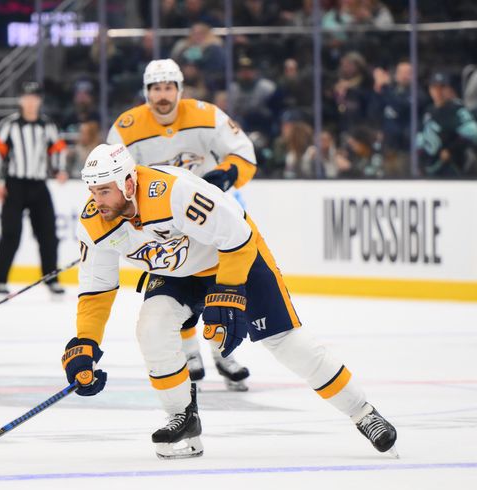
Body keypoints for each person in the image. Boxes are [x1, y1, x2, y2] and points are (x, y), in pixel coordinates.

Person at [63, 143, 398, 459]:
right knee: (151, 329)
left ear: (129, 182)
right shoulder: (94, 221)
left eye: (104, 190)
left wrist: (230, 292)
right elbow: (96, 287)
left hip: (235, 258)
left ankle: (363, 413)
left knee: (285, 342)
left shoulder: (172, 192)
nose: (97, 200)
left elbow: (237, 236)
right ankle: (182, 417)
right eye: (93, 191)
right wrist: (86, 343)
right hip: (179, 275)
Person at [107, 58, 256, 391]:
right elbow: (113, 177)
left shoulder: (206, 114)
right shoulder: (127, 126)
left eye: (168, 87)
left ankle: (223, 352)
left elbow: (244, 153)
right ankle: (191, 354)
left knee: (221, 284)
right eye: (156, 88)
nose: (163, 95)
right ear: (146, 92)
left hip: (206, 213)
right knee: (176, 282)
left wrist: (227, 173)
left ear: (180, 89)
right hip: (160, 221)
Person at [0, 81, 69, 296]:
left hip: (39, 185)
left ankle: (51, 279)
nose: (31, 102)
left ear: (39, 100)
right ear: (21, 100)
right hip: (15, 185)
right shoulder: (9, 124)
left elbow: (58, 148)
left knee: (48, 234)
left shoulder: (47, 125)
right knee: (11, 234)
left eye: (35, 97)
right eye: (27, 97)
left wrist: (59, 169)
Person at [417, 72, 477, 177]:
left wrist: (451, 150)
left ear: (448, 89)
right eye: (434, 88)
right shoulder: (428, 110)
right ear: (430, 90)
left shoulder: (457, 110)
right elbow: (422, 136)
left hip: (451, 167)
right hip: (429, 166)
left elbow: (472, 133)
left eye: (442, 88)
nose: (438, 92)